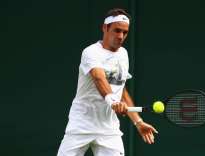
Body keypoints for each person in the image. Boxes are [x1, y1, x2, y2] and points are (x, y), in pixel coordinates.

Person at [57, 8, 158, 156]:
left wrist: (138, 122)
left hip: (109, 130)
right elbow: (99, 78)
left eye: (125, 32)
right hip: (81, 125)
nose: (121, 36)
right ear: (105, 28)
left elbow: (121, 89)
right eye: (117, 30)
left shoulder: (123, 54)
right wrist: (112, 101)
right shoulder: (90, 52)